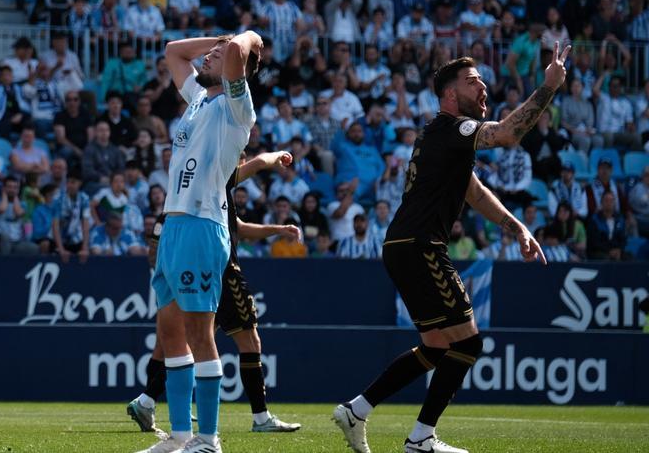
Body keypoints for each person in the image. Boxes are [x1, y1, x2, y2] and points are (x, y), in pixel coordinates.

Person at [334, 44, 569, 453]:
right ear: (448, 94)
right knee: (469, 343)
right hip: (421, 245)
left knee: (436, 347)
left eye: (482, 81)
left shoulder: (440, 138)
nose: (483, 88)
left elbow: (473, 192)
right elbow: (509, 133)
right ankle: (421, 438)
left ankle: (356, 410)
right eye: (472, 81)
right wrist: (547, 87)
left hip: (402, 245)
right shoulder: (453, 128)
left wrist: (516, 228)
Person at [137, 31, 261, 453]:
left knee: (198, 331)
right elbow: (173, 50)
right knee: (170, 331)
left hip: (202, 224)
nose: (206, 57)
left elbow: (244, 46)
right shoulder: (197, 102)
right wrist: (220, 38)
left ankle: (208, 438)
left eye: (216, 56)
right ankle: (179, 436)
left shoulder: (236, 106)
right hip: (173, 227)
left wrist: (241, 38)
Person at [129, 152, 301, 437]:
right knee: (248, 340)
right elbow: (258, 164)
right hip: (221, 270)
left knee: (183, 342)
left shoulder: (197, 191)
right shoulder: (215, 178)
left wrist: (278, 230)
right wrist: (277, 156)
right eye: (237, 156)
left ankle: (149, 402)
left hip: (195, 270)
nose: (239, 162)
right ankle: (257, 418)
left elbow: (239, 228)